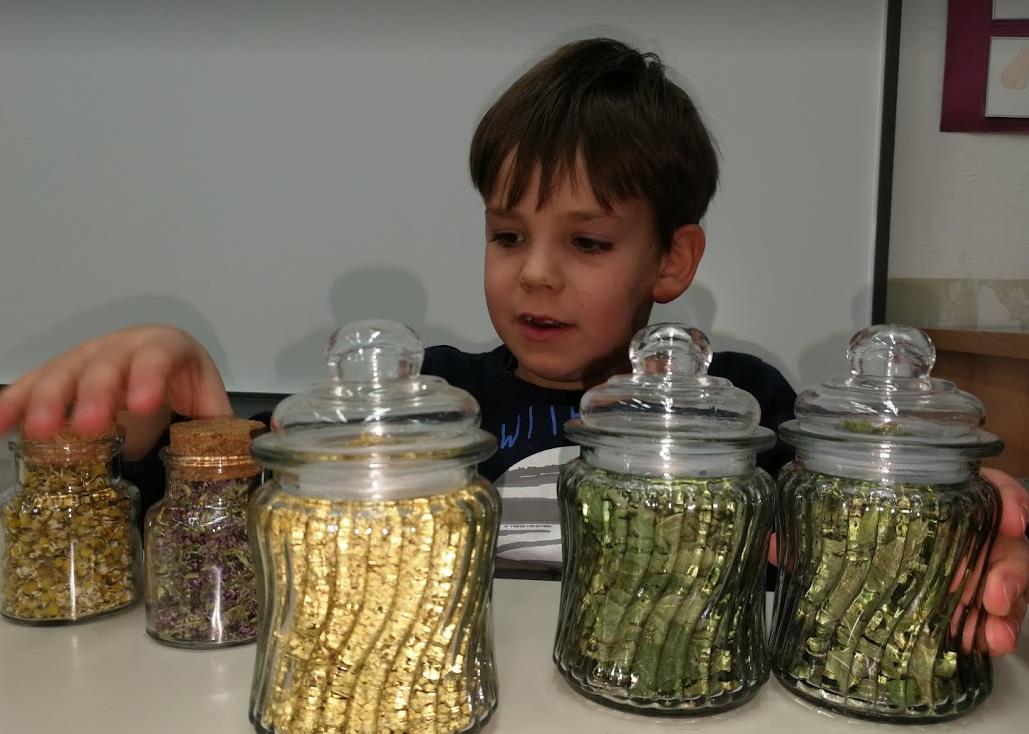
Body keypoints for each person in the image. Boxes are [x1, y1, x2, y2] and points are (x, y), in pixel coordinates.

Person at [0, 38, 1025, 656]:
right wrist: (171, 416)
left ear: (672, 259)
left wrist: (938, 526)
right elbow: (237, 521)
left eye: (587, 243)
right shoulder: (439, 398)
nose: (534, 274)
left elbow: (848, 531)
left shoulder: (744, 405)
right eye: (506, 235)